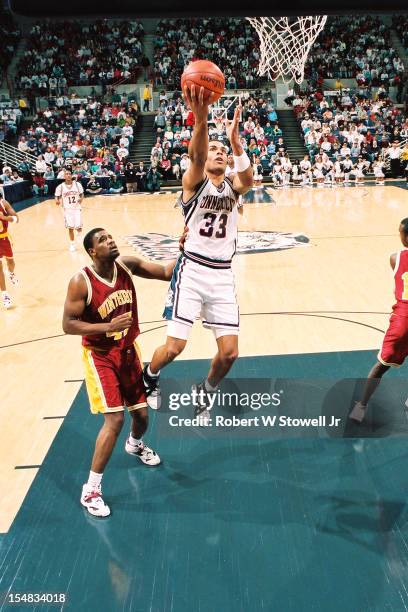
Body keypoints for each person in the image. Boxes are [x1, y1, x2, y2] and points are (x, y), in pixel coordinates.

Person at [142, 85, 253, 413]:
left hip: (222, 275)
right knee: (175, 347)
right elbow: (197, 155)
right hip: (191, 271)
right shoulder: (194, 183)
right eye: (215, 149)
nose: (219, 153)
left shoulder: (233, 188)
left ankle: (206, 388)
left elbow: (248, 181)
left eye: (223, 152)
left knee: (230, 353)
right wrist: (201, 119)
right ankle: (149, 374)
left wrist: (236, 143)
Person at [62, 227, 176, 517]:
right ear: (92, 251)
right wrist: (107, 327)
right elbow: (68, 324)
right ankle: (91, 490)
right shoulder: (81, 281)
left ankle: (134, 445)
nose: (110, 241)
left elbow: (165, 271)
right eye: (102, 240)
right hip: (100, 357)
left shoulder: (128, 265)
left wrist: (189, 249)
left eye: (110, 237)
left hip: (128, 353)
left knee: (141, 416)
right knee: (114, 420)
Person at [350, 218, 408, 422]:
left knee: (381, 365)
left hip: (403, 318)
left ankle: (361, 406)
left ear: (405, 237)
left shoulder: (395, 258)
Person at [55, 170, 84, 252]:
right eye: (66, 174)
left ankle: (79, 235)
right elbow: (56, 196)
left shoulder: (77, 185)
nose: (68, 175)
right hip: (67, 210)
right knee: (70, 228)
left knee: (79, 227)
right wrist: (57, 200)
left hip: (77, 208)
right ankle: (72, 244)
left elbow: (82, 194)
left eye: (69, 174)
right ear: (64, 176)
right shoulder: (60, 187)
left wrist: (81, 199)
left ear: (71, 175)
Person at [0, 197, 19, 309]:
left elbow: (17, 219)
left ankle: (11, 273)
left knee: (11, 263)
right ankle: (5, 294)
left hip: (4, 239)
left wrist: (4, 217)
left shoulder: (3, 203)